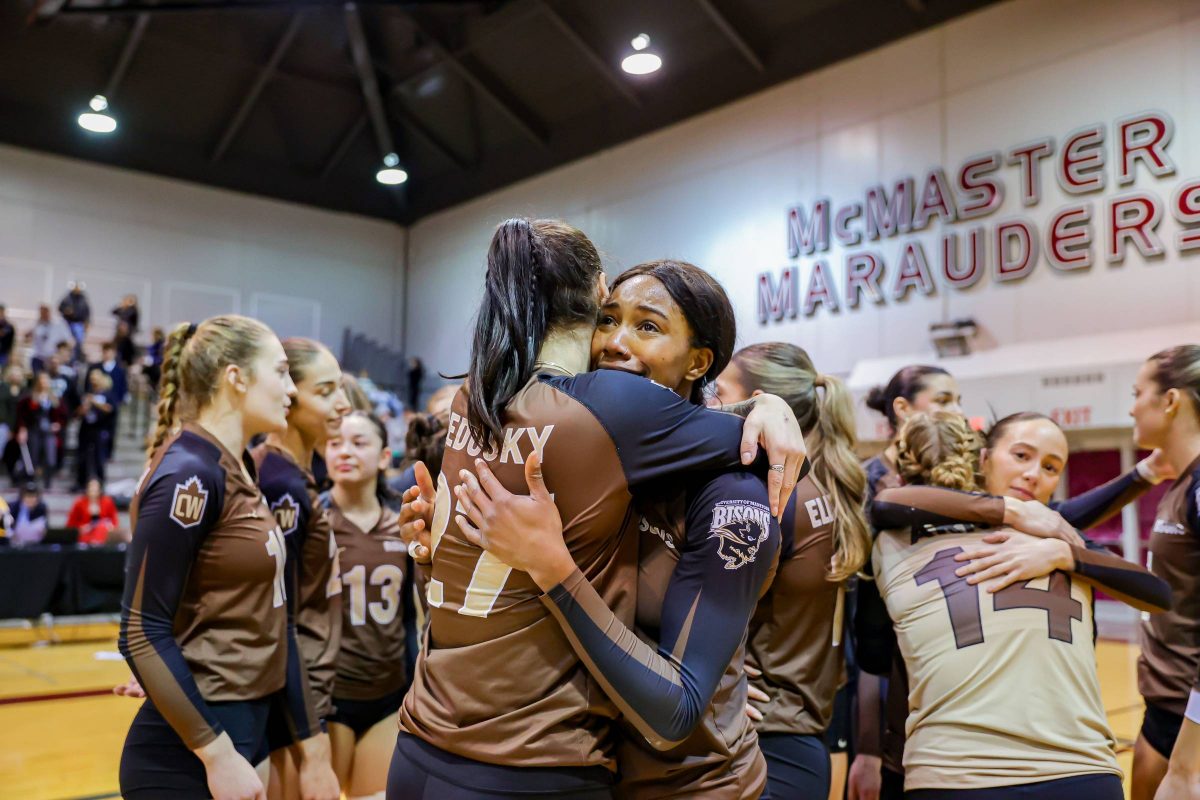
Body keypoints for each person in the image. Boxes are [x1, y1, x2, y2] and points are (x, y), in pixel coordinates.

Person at [389, 220, 805, 799]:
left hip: (689, 786)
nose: (614, 341)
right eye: (607, 318)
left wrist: (768, 407)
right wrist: (435, 552)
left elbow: (679, 707)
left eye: (648, 327)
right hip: (578, 767)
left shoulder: (731, 490)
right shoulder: (581, 438)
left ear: (697, 362)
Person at [857, 408, 1173, 798]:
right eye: (1021, 456)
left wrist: (1063, 556)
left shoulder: (1060, 534)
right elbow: (887, 502)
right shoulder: (904, 529)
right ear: (983, 459)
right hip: (966, 772)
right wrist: (1012, 511)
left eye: (1051, 467)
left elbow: (1158, 594)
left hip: (1071, 767)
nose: (1033, 474)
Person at [116, 315, 337, 800]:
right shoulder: (188, 473)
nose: (290, 390)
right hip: (187, 760)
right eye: (279, 372)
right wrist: (215, 752)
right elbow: (139, 630)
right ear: (235, 378)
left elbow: (278, 621)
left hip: (240, 736)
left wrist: (312, 748)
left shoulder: (235, 466)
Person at [708, 342, 870, 799]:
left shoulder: (775, 494)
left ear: (760, 403)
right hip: (800, 736)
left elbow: (712, 607)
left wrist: (725, 676)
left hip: (761, 736)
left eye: (719, 391)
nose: (710, 404)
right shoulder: (829, 489)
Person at [251, 337, 349, 798]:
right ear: (288, 396)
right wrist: (313, 749)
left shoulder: (298, 476)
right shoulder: (279, 483)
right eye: (326, 391)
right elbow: (278, 620)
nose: (344, 404)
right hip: (288, 707)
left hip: (303, 695)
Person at [325, 411, 421, 799]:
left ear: (384, 456)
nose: (345, 452)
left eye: (358, 443)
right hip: (328, 699)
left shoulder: (403, 521)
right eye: (335, 443)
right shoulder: (312, 519)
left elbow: (412, 615)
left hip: (386, 694)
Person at [1122, 346, 1200, 800]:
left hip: (1187, 726)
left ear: (1170, 401)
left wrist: (1188, 758)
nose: (1131, 406)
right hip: (1163, 714)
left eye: (1137, 393)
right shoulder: (1181, 484)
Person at [16, 372, 66, 488]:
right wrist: (22, 429)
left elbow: (62, 415)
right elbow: (22, 415)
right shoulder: (29, 397)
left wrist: (58, 424)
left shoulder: (54, 397)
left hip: (49, 431)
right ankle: (30, 481)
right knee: (32, 456)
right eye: (42, 380)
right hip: (34, 429)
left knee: (50, 457)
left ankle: (47, 481)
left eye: (46, 380)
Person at [88, 342, 128, 462]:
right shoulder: (96, 367)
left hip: (112, 405)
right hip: (97, 405)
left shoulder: (119, 370)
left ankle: (108, 453)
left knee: (111, 429)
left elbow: (122, 387)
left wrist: (119, 401)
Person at [74, 370, 113, 488]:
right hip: (86, 429)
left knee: (99, 458)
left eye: (95, 379)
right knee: (82, 457)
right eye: (91, 379)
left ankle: (100, 484)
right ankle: (81, 482)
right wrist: (84, 408)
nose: (93, 381)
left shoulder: (107, 394)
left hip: (100, 429)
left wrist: (94, 401)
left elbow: (110, 409)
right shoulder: (87, 394)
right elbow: (78, 413)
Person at [68, 478, 120, 545]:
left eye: (95, 488)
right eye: (91, 488)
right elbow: (71, 524)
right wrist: (82, 528)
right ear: (87, 489)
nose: (93, 490)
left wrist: (109, 526)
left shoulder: (107, 502)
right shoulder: (79, 503)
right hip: (85, 535)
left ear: (100, 490)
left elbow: (114, 522)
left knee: (101, 528)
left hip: (103, 533)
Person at [26, 305, 67, 374]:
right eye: (42, 312)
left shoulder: (59, 323)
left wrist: (61, 355)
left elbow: (67, 340)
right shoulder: (37, 323)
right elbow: (27, 335)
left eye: (45, 311)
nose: (43, 314)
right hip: (38, 357)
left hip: (52, 359)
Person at [58, 281, 91, 362]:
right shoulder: (67, 298)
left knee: (78, 342)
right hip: (68, 322)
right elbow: (60, 308)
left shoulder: (83, 299)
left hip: (78, 323)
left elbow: (87, 312)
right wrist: (66, 311)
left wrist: (87, 322)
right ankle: (65, 358)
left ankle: (76, 359)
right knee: (67, 341)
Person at [144, 326, 165, 395]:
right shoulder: (152, 346)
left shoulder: (161, 346)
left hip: (157, 367)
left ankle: (153, 387)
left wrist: (152, 360)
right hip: (151, 367)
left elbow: (161, 358)